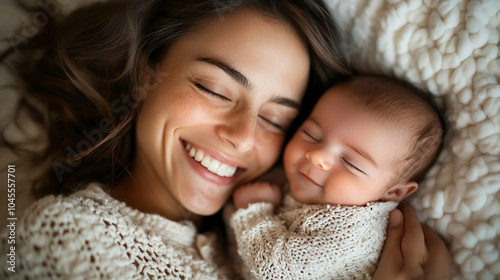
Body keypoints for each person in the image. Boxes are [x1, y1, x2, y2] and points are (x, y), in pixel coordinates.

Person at [0, 0, 450, 279]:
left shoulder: (256, 240)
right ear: (145, 74)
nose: (241, 137)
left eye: (276, 120)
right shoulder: (66, 235)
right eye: (214, 89)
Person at [229, 76, 445, 279]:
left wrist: (254, 209)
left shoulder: (354, 233)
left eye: (350, 163)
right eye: (311, 135)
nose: (316, 156)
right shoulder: (299, 182)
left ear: (393, 192)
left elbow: (277, 270)